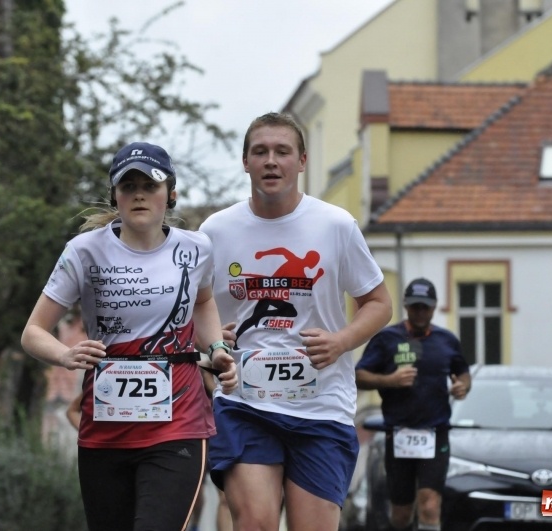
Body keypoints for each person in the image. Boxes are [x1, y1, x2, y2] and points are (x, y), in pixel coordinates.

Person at [21, 141, 237, 531]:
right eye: (127, 185)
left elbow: (203, 302)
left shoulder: (196, 248)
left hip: (178, 424)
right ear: (114, 196)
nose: (138, 193)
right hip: (106, 429)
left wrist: (217, 348)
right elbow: (33, 332)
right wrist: (65, 354)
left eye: (150, 185)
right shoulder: (84, 252)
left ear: (170, 194)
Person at [199, 112, 393, 531]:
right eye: (260, 152)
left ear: (302, 161)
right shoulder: (215, 231)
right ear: (245, 162)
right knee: (255, 523)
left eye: (282, 151)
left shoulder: (336, 225)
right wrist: (211, 341)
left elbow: (378, 302)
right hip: (244, 403)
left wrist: (341, 341)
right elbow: (194, 311)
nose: (271, 161)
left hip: (321, 406)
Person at [355, 278, 471, 531]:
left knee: (429, 504)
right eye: (415, 306)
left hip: (435, 432)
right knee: (401, 512)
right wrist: (390, 380)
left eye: (425, 307)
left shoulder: (446, 340)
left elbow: (463, 372)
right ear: (406, 306)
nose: (420, 312)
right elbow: (359, 375)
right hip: (399, 433)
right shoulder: (387, 339)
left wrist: (463, 386)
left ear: (434, 307)